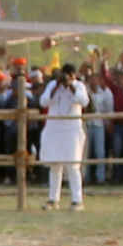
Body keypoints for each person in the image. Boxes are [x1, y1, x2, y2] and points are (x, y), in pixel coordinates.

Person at [37, 64, 90, 210]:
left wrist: (70, 86)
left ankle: (77, 200)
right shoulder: (53, 85)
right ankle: (53, 199)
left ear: (74, 75)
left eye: (69, 75)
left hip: (72, 130)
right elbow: (43, 101)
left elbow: (84, 101)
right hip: (54, 129)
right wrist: (58, 86)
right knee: (54, 165)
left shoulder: (79, 85)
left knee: (73, 166)